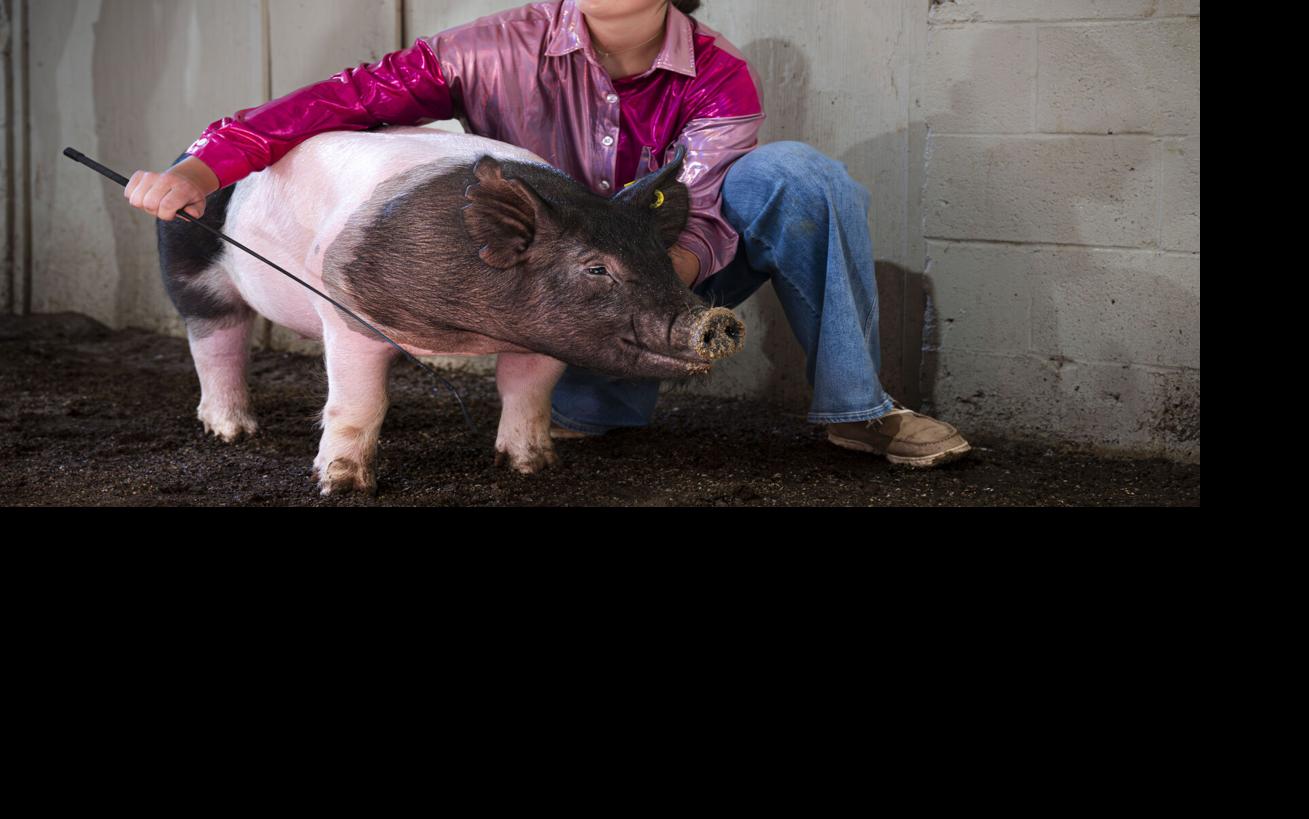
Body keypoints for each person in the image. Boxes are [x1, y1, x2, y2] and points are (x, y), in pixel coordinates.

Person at [124, 0, 970, 468]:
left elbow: (705, 215)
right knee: (590, 416)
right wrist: (209, 162)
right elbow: (343, 101)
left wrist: (632, 298)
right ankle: (595, 398)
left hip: (658, 270)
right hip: (536, 295)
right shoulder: (491, 48)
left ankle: (858, 410)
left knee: (797, 175)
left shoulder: (717, 75)